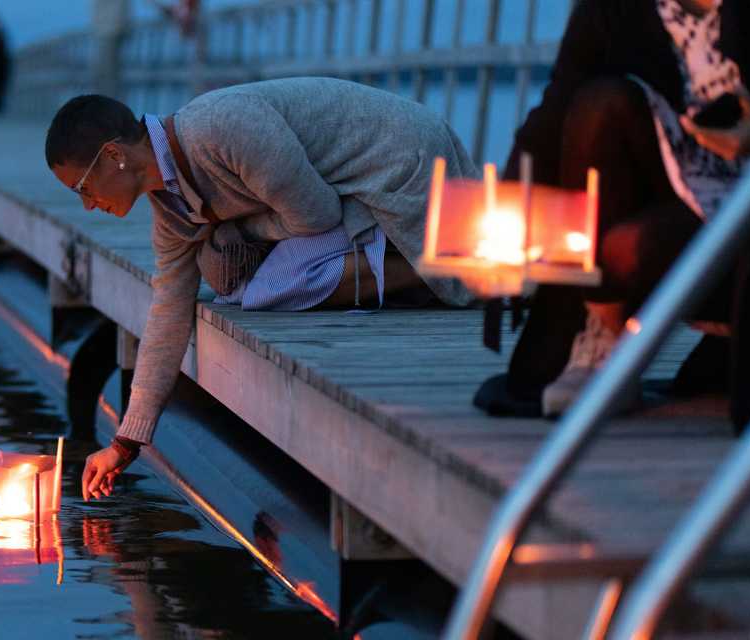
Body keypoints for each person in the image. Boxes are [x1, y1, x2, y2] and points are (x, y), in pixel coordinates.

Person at [44, 77, 478, 500]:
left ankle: (430, 270)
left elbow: (317, 215)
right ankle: (409, 265)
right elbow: (168, 310)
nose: (86, 204)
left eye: (82, 188)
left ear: (114, 155)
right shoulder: (172, 211)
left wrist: (238, 227)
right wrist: (127, 441)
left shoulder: (220, 129)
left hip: (400, 163)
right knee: (229, 280)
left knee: (272, 284)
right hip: (347, 189)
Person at [473, 0, 750, 429]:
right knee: (600, 104)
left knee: (628, 252)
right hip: (687, 195)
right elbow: (556, 107)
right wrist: (498, 222)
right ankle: (601, 343)